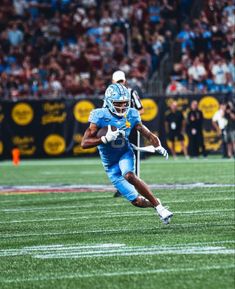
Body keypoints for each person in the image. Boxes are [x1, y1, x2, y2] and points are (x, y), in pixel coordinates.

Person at [81, 83, 173, 225]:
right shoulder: (99, 115)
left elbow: (146, 132)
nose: (122, 107)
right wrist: (104, 139)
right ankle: (154, 202)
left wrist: (158, 145)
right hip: (110, 165)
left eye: (125, 103)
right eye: (118, 103)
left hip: (125, 153)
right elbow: (84, 143)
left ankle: (160, 208)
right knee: (136, 201)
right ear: (109, 102)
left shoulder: (131, 114)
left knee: (129, 175)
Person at [111, 70, 144, 197]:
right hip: (117, 130)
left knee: (132, 157)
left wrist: (128, 116)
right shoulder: (110, 95)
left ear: (124, 81)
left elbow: (141, 110)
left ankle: (136, 185)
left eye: (121, 81)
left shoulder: (131, 92)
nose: (120, 83)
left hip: (130, 129)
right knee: (118, 157)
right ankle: (122, 186)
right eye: (117, 81)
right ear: (113, 82)